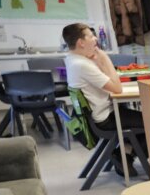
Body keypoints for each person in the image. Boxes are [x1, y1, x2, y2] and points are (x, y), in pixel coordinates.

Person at [62, 23, 145, 176]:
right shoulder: (82, 65)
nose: (95, 39)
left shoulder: (72, 60)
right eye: (91, 36)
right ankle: (124, 155)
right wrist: (105, 59)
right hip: (104, 119)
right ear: (81, 42)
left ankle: (124, 153)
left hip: (100, 114)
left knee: (142, 119)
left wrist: (98, 61)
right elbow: (117, 88)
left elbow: (106, 79)